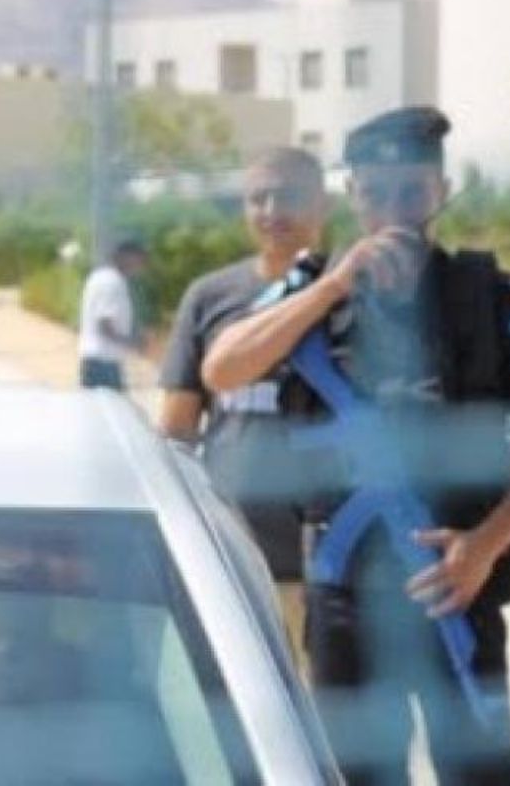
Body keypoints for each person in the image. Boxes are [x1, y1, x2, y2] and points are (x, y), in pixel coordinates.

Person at [202, 106, 510, 785]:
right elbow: (222, 368)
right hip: (343, 594)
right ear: (353, 195)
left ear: (441, 191)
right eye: (377, 194)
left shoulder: (493, 300)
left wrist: (483, 547)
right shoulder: (313, 293)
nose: (395, 210)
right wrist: (333, 286)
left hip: (454, 586)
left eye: (412, 192)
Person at [158, 146, 330, 657]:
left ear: (323, 204)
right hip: (232, 563)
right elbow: (176, 432)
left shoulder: (350, 293)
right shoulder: (209, 297)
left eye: (289, 196)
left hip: (329, 572)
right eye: (259, 198)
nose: (273, 211)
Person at [77, 239, 148, 390]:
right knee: (111, 404)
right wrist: (133, 342)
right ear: (124, 257)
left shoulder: (100, 276)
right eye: (138, 260)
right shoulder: (112, 282)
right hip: (103, 362)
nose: (140, 266)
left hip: (98, 359)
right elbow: (104, 325)